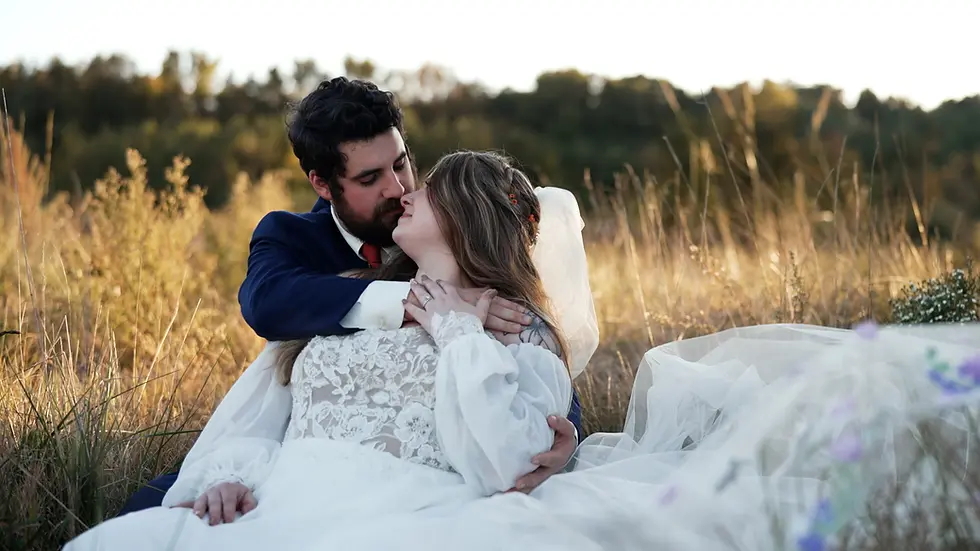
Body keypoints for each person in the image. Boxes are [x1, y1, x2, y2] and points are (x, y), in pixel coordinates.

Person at [65, 151, 980, 551]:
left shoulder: (509, 330)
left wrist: (467, 327)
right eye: (387, 182)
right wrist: (224, 474)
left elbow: (503, 457)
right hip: (273, 495)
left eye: (422, 186)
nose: (403, 195)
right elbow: (270, 406)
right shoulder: (353, 302)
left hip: (405, 509)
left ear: (460, 221)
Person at [116, 77, 582, 516]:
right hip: (287, 460)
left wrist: (564, 433)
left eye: (401, 163)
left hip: (414, 489)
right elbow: (267, 305)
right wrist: (411, 302)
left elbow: (532, 342)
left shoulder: (441, 223)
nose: (398, 189)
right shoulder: (293, 237)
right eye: (370, 178)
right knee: (141, 519)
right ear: (323, 183)